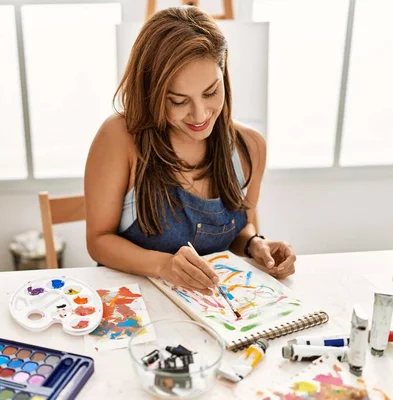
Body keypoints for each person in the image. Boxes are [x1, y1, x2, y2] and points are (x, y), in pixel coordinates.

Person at [84, 6, 295, 295]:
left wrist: (254, 244)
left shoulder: (250, 148)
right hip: (134, 306)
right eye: (179, 101)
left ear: (224, 75)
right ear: (152, 94)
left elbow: (238, 230)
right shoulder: (120, 136)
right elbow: (98, 241)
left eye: (210, 93)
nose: (200, 115)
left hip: (213, 312)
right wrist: (164, 266)